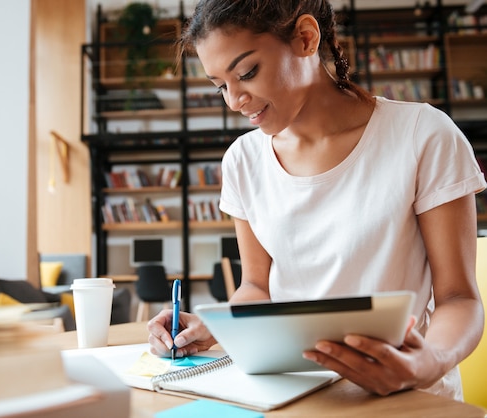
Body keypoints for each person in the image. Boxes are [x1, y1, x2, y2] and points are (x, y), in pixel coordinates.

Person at [148, 0, 486, 400]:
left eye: (247, 73)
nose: (234, 100)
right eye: (221, 85)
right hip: (295, 396)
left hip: (409, 396)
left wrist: (429, 362)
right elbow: (257, 286)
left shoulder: (423, 134)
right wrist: (223, 325)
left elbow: (458, 298)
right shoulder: (243, 160)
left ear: (306, 38)